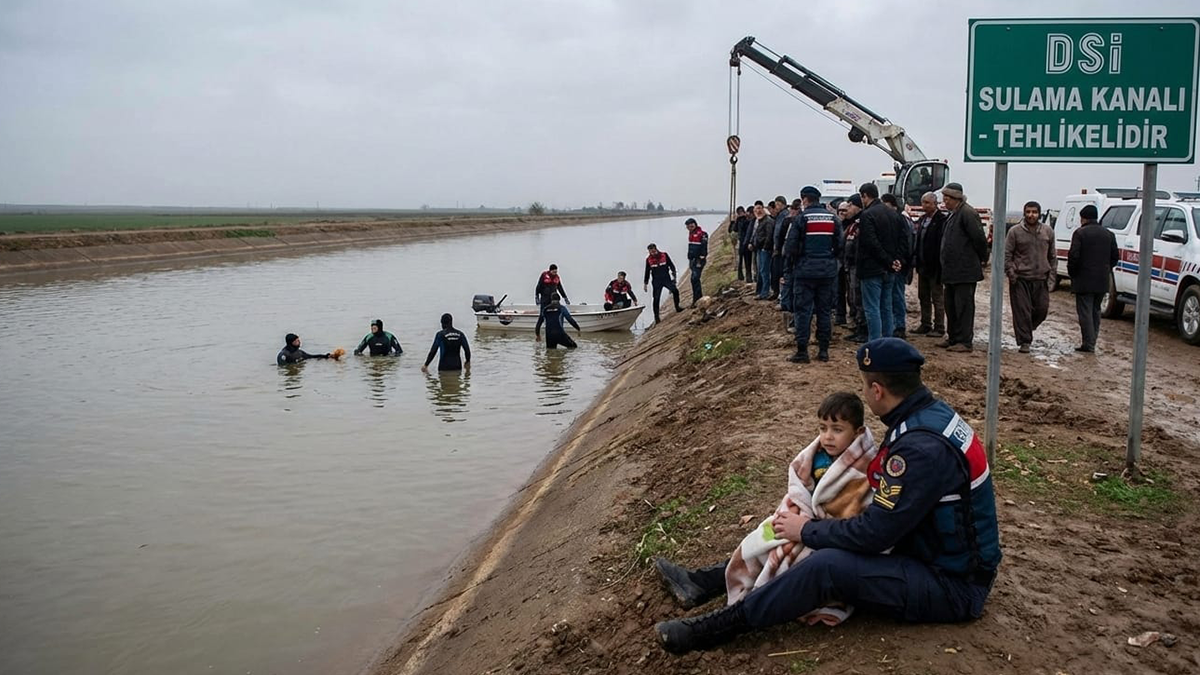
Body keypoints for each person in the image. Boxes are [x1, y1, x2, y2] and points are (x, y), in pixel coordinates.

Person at [652, 338, 1001, 654]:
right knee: (808, 528)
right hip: (935, 554)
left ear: (877, 390)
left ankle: (714, 628)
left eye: (865, 387)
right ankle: (703, 583)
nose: (864, 394)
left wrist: (806, 529)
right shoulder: (930, 415)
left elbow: (875, 533)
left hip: (953, 587)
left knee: (826, 563)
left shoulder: (919, 448)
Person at [684, 392, 877, 612]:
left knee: (788, 549)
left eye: (837, 429)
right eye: (822, 428)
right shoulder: (818, 455)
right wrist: (798, 512)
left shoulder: (864, 469)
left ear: (857, 433)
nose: (828, 437)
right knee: (763, 536)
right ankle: (705, 582)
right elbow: (800, 486)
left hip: (827, 535)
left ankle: (746, 599)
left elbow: (853, 509)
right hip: (804, 520)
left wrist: (808, 525)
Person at [784, 186, 842, 363]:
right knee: (824, 311)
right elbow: (840, 245)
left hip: (805, 272)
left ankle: (802, 351)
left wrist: (791, 268)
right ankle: (823, 351)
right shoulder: (833, 219)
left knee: (803, 311)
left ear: (804, 200)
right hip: (827, 272)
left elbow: (791, 247)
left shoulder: (801, 219)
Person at [938, 183, 988, 352]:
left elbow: (979, 239)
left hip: (965, 271)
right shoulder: (953, 214)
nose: (945, 201)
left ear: (956, 198)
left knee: (964, 307)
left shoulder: (967, 213)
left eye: (947, 198)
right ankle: (953, 337)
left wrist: (983, 258)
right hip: (951, 271)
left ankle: (965, 341)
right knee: (950, 306)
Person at [1004, 201, 1057, 353]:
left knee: (1042, 310)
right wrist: (1012, 273)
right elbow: (1007, 254)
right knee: (1022, 312)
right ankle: (1025, 341)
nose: (1031, 215)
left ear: (1039, 214)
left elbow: (1052, 256)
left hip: (1041, 279)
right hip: (1020, 279)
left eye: (1034, 212)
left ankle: (1028, 328)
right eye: (1028, 212)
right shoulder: (1015, 232)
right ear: (1024, 213)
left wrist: (1051, 278)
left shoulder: (1047, 231)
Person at [1067, 204, 1119, 353]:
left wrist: (1073, 273)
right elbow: (1115, 256)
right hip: (1102, 280)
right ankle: (1093, 340)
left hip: (1083, 280)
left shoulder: (1080, 233)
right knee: (1095, 311)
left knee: (1085, 312)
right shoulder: (1109, 234)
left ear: (1083, 218)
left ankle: (1088, 344)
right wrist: (1106, 269)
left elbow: (1074, 256)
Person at [856, 183, 901, 342]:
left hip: (872, 268)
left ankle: (875, 343)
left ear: (865, 196)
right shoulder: (894, 214)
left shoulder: (867, 215)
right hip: (889, 269)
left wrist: (888, 261)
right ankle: (888, 342)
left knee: (872, 308)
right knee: (886, 307)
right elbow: (901, 240)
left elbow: (871, 243)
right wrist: (895, 261)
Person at [912, 192, 947, 337]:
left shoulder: (941, 221)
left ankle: (939, 327)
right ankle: (925, 323)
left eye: (927, 203)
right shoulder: (922, 220)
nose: (924, 206)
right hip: (923, 265)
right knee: (923, 296)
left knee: (937, 298)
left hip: (935, 266)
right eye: (923, 202)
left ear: (935, 203)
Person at [881, 193, 914, 339]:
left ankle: (899, 326)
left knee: (896, 296)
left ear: (893, 205)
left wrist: (900, 261)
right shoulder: (896, 219)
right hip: (894, 264)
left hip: (898, 265)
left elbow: (906, 244)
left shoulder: (900, 220)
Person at [841, 195, 867, 343]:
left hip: (858, 266)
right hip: (850, 265)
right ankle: (858, 326)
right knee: (853, 297)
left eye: (850, 205)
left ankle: (863, 329)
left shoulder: (862, 222)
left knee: (859, 298)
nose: (848, 209)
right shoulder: (852, 224)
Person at [644, 243, 682, 323]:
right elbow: (647, 272)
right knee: (656, 298)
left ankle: (677, 307)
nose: (652, 253)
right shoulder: (648, 260)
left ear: (656, 249)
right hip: (656, 281)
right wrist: (645, 283)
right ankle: (657, 317)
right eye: (650, 252)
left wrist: (674, 274)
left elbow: (671, 265)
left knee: (675, 291)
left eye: (653, 251)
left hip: (666, 279)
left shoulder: (664, 255)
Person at [751, 202, 774, 299]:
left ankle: (765, 292)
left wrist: (765, 247)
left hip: (765, 249)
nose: (758, 211)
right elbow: (755, 234)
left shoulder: (768, 221)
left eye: (760, 208)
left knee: (764, 271)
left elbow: (769, 235)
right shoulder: (758, 221)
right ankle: (760, 291)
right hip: (759, 248)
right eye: (756, 209)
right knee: (760, 270)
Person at [685, 218, 709, 306]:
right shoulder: (691, 234)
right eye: (688, 226)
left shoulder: (702, 234)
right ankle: (697, 298)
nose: (689, 227)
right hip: (692, 260)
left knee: (695, 278)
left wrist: (702, 256)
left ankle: (697, 299)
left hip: (699, 260)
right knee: (693, 280)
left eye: (691, 225)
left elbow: (704, 246)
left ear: (695, 224)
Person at [834, 201, 850, 326]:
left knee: (852, 292)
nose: (843, 213)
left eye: (845, 210)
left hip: (850, 262)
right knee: (839, 290)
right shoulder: (836, 225)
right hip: (839, 262)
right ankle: (840, 315)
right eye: (841, 211)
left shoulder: (853, 225)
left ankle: (853, 316)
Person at [771, 195, 789, 302]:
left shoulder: (784, 215)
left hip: (781, 249)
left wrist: (777, 247)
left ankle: (781, 295)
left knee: (781, 272)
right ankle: (777, 293)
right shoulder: (779, 216)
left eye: (777, 204)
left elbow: (779, 233)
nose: (776, 207)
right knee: (776, 272)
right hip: (778, 247)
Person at [734, 206, 753, 282]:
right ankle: (740, 275)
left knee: (748, 261)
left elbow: (748, 228)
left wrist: (744, 218)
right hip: (741, 242)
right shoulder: (738, 220)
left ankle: (749, 276)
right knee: (740, 260)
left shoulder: (748, 220)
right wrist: (736, 220)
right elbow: (735, 229)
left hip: (747, 242)